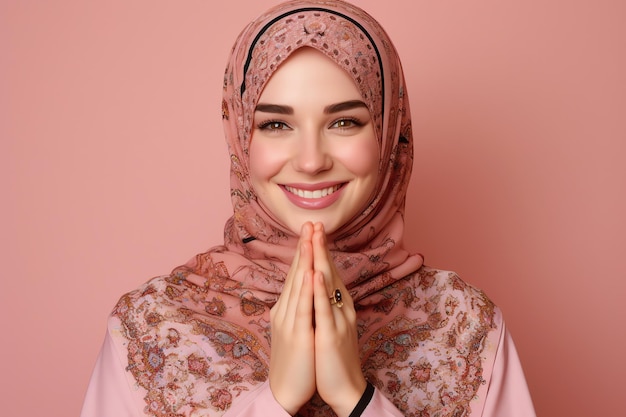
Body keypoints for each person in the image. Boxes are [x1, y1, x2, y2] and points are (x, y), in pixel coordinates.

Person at [81, 1, 536, 416]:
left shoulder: (466, 326)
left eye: (344, 121)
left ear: (388, 133)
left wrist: (356, 400)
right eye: (277, 124)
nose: (312, 160)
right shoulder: (149, 327)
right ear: (241, 138)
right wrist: (275, 401)